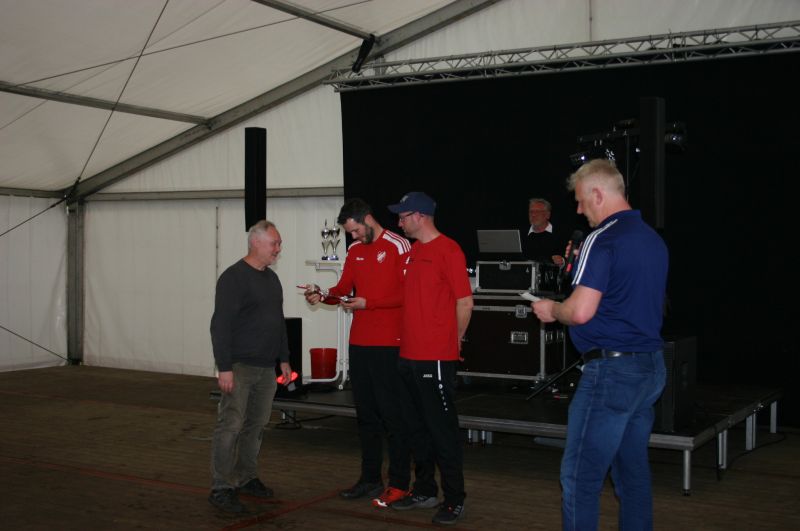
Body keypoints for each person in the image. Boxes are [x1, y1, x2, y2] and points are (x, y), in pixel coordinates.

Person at [531, 159, 668, 531]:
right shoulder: (653, 240)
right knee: (632, 474)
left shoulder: (602, 238)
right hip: (649, 368)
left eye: (580, 200)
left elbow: (579, 311)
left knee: (580, 478)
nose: (578, 210)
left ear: (597, 194)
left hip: (611, 373)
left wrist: (551, 309)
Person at [304, 198, 415, 509]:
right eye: (349, 232)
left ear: (368, 219)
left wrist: (370, 304)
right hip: (361, 343)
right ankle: (369, 478)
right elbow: (343, 288)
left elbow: (409, 293)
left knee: (393, 416)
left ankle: (399, 483)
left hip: (390, 343)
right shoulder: (355, 250)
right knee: (366, 415)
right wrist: (323, 294)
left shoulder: (398, 245)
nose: (352, 236)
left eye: (355, 230)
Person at [386, 191, 474, 526]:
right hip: (407, 355)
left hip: (435, 357)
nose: (400, 223)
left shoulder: (448, 250)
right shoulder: (414, 252)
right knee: (416, 429)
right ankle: (424, 490)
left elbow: (465, 302)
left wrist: (453, 342)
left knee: (442, 431)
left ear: (420, 216)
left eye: (403, 217)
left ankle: (454, 498)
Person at [208, 220, 293, 514]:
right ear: (255, 243)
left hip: (266, 368)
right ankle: (221, 487)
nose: (278, 249)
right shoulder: (233, 278)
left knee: (255, 426)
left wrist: (284, 358)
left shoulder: (272, 280)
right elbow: (220, 325)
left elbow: (278, 322)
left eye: (279, 244)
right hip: (240, 367)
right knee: (230, 425)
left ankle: (246, 477)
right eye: (274, 243)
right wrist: (225, 367)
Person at [523, 197, 566, 265]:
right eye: (531, 212)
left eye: (537, 211)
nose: (533, 215)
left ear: (548, 215)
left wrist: (562, 261)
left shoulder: (561, 234)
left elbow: (570, 258)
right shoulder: (521, 235)